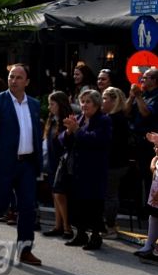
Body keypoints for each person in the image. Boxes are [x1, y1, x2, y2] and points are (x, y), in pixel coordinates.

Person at [0, 64, 43, 266]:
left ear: (27, 82)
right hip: (3, 164)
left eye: (19, 77)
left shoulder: (34, 104)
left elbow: (35, 133)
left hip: (27, 164)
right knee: (1, 203)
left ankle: (25, 250)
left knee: (28, 207)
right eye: (12, 77)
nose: (14, 80)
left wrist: (39, 162)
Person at [61, 89, 112, 250]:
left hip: (94, 170)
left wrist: (77, 130)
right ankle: (80, 233)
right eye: (82, 102)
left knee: (93, 204)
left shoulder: (104, 120)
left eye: (88, 102)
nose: (84, 105)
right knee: (77, 203)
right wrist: (69, 131)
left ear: (96, 104)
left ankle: (95, 236)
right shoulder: (79, 119)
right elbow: (63, 140)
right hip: (77, 169)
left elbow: (96, 140)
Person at [42, 91, 74, 239]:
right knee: (55, 194)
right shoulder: (52, 120)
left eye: (52, 104)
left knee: (60, 194)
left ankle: (67, 227)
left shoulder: (66, 121)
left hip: (62, 162)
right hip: (52, 162)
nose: (49, 107)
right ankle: (58, 225)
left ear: (60, 105)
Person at [100, 87, 130, 239]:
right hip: (118, 162)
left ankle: (110, 227)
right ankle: (109, 224)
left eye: (105, 99)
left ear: (113, 101)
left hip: (113, 163)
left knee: (110, 195)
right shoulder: (119, 117)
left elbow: (110, 143)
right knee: (110, 194)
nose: (102, 102)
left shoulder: (113, 119)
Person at [126, 68, 158, 207]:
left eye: (146, 78)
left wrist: (138, 97)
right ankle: (139, 206)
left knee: (148, 175)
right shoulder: (142, 95)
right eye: (142, 78)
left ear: (155, 80)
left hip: (149, 142)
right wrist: (132, 97)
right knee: (137, 175)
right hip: (136, 141)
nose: (142, 80)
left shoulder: (156, 97)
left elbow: (145, 113)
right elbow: (126, 112)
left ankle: (149, 206)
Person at [135, 133, 158, 262]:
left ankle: (153, 247)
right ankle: (149, 244)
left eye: (157, 146)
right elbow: (153, 170)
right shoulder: (157, 158)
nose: (155, 149)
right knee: (153, 216)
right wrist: (154, 162)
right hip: (155, 197)